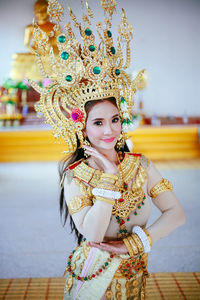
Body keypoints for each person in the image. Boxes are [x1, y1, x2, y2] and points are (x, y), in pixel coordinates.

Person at [28, 0, 185, 299]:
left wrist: (134, 244)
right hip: (94, 275)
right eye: (98, 123)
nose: (110, 130)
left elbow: (176, 214)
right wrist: (110, 176)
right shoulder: (76, 176)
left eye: (114, 119)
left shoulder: (141, 166)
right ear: (81, 127)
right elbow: (94, 235)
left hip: (135, 270)